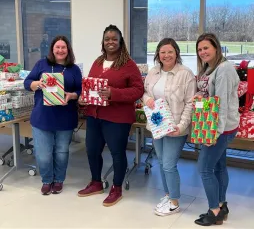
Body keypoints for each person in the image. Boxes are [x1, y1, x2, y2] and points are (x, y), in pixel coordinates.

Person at [77, 24, 144, 207]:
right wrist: (84, 98)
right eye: (107, 39)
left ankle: (116, 188)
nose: (110, 42)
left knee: (117, 153)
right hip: (95, 115)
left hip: (117, 117)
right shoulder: (98, 62)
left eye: (114, 39)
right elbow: (90, 85)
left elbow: (138, 90)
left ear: (120, 42)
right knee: (91, 150)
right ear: (103, 42)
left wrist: (114, 93)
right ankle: (96, 182)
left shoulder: (128, 64)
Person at [143, 38, 196, 216]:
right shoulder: (153, 72)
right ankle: (168, 195)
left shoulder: (185, 74)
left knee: (168, 165)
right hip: (157, 125)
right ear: (158, 54)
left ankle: (174, 202)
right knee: (161, 162)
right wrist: (147, 99)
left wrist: (181, 127)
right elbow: (144, 92)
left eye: (170, 52)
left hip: (175, 128)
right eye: (163, 52)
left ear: (176, 53)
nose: (166, 55)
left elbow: (190, 103)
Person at [24, 35, 82, 195]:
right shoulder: (41, 64)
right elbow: (27, 82)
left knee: (62, 152)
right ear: (52, 49)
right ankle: (47, 180)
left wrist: (71, 96)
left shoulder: (74, 69)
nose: (60, 50)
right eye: (57, 47)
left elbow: (80, 90)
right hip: (43, 117)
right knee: (43, 153)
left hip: (65, 117)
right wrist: (37, 84)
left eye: (64, 47)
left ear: (68, 50)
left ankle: (58, 180)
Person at [194, 33, 240, 226]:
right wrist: (199, 101)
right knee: (219, 167)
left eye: (206, 48)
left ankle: (214, 212)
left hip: (220, 128)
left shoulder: (224, 69)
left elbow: (220, 104)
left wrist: (215, 133)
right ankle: (221, 205)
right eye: (199, 49)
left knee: (204, 169)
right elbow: (210, 101)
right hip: (213, 124)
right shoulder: (209, 68)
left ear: (216, 47)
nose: (202, 52)